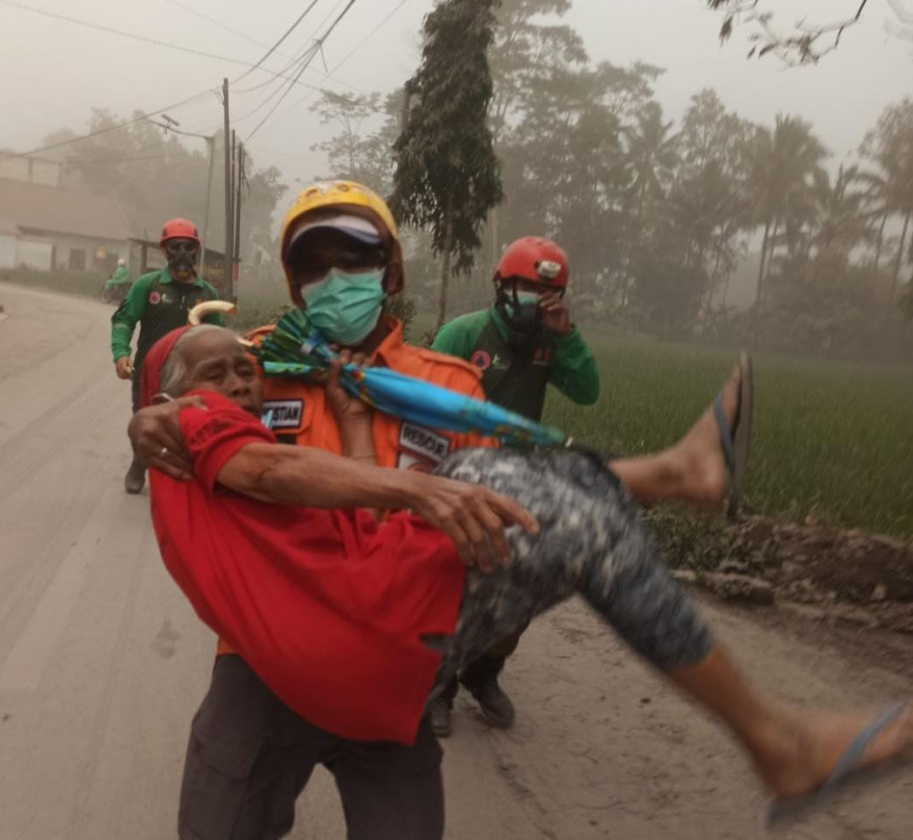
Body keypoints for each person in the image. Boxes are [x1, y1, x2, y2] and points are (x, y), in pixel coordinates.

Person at [141, 322, 912, 835]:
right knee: (560, 520)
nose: (243, 379)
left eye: (247, 366)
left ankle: (678, 473)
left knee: (527, 487)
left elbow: (352, 523)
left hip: (358, 638)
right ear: (170, 393)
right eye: (218, 370)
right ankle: (780, 741)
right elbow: (272, 469)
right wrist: (423, 488)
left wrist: (350, 420)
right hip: (364, 634)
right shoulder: (188, 427)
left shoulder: (348, 389)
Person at [133, 182, 489, 840]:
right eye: (313, 265)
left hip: (390, 666)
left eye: (354, 259)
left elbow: (483, 518)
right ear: (295, 287)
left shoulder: (448, 389)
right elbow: (182, 394)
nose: (334, 278)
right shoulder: (254, 361)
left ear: (392, 268)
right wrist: (151, 416)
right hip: (260, 658)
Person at [428, 236, 599, 735]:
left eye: (546, 292)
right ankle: (437, 685)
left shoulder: (551, 343)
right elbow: (426, 404)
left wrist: (567, 338)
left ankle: (484, 672)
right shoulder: (464, 334)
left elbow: (588, 392)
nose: (534, 298)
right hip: (461, 472)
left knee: (519, 584)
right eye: (524, 287)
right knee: (450, 583)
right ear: (501, 285)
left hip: (521, 481)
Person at [110, 219, 224, 494]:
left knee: (187, 426)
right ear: (165, 251)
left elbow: (218, 337)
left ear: (196, 250)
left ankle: (181, 475)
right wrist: (121, 353)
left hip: (189, 375)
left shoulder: (207, 294)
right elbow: (124, 321)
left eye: (188, 246)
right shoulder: (147, 286)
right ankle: (139, 463)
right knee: (145, 421)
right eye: (176, 246)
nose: (182, 252)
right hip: (149, 371)